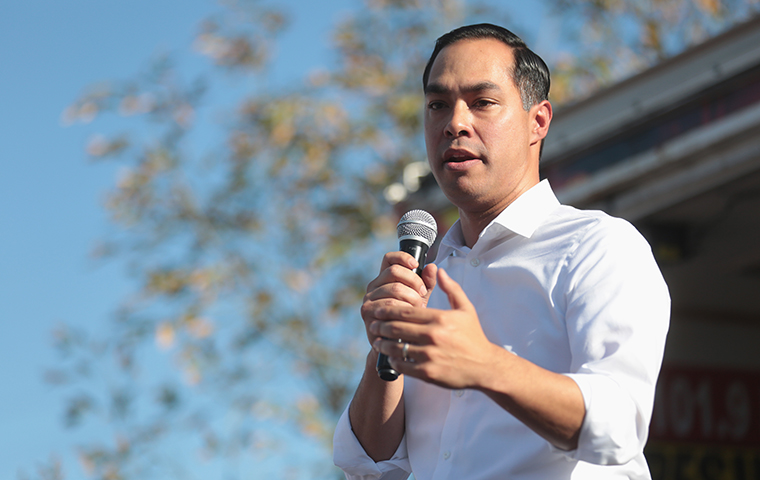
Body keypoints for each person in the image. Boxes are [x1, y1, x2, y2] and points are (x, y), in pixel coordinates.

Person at [333, 23, 670, 480]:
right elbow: (369, 466)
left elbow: (620, 426)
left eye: (482, 102)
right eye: (437, 105)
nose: (455, 122)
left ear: (539, 121)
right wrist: (384, 349)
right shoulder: (425, 278)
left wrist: (485, 364)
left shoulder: (597, 246)